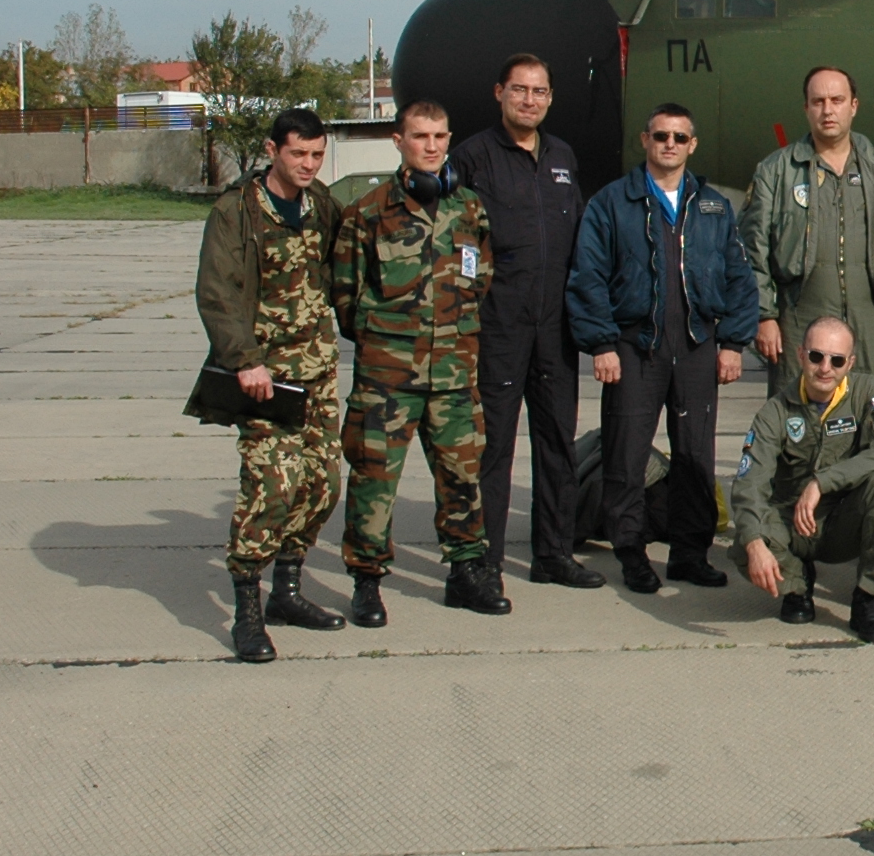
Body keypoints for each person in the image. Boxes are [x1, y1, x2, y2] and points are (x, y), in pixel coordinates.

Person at [567, 102, 757, 592]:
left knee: (695, 453)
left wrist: (733, 343)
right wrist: (602, 343)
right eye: (660, 136)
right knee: (626, 454)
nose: (669, 144)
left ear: (692, 145)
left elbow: (739, 277)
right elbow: (588, 276)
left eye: (679, 137)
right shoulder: (612, 203)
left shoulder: (713, 207)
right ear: (645, 141)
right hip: (635, 346)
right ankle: (631, 553)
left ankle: (690, 553)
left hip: (696, 344)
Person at [332, 101, 498, 622]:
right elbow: (345, 295)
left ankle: (466, 573)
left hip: (454, 373)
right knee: (374, 479)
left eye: (440, 136)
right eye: (420, 136)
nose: (431, 146)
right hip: (388, 377)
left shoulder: (468, 208)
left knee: (462, 477)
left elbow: (480, 280)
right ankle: (366, 580)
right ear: (398, 141)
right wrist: (389, 340)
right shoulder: (368, 211)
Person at [192, 105, 347, 662]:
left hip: (318, 370)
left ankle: (287, 590)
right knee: (273, 487)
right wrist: (244, 360)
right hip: (266, 378)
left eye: (317, 155)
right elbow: (217, 291)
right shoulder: (237, 211)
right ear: (272, 150)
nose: (308, 164)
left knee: (323, 485)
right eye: (298, 153)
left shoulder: (320, 204)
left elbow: (341, 268)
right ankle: (247, 608)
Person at [450, 54, 591, 591]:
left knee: (557, 444)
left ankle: (553, 554)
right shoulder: (473, 158)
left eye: (539, 91)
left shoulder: (562, 156)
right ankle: (483, 562)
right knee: (493, 448)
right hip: (499, 327)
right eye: (519, 90)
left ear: (550, 98)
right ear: (499, 93)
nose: (529, 100)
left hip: (555, 329)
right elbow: (455, 244)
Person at [726, 315, 874, 638]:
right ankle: (797, 584)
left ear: (850, 363)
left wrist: (822, 482)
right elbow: (750, 482)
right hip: (794, 525)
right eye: (816, 356)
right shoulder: (775, 411)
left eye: (837, 360)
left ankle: (867, 597)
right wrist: (755, 544)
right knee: (747, 539)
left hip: (844, 521)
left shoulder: (868, 392)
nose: (825, 368)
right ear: (801, 355)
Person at [745, 65, 874, 369]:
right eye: (818, 102)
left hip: (870, 316)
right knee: (799, 396)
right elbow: (754, 248)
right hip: (799, 317)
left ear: (854, 106)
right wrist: (764, 315)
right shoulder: (776, 171)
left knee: (870, 395)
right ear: (806, 108)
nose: (827, 110)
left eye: (837, 100)